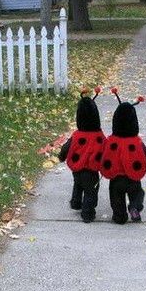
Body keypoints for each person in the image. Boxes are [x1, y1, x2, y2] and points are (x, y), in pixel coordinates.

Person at [100, 88, 146, 224]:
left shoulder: (111, 141)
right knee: (138, 193)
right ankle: (135, 207)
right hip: (133, 178)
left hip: (116, 179)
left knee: (116, 198)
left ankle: (120, 216)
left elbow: (103, 154)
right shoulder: (137, 142)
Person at [58, 87, 105, 223]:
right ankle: (88, 213)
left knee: (78, 184)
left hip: (77, 169)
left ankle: (76, 202)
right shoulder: (99, 136)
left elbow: (67, 147)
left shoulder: (77, 135)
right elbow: (106, 148)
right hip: (91, 171)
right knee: (91, 191)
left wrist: (61, 156)